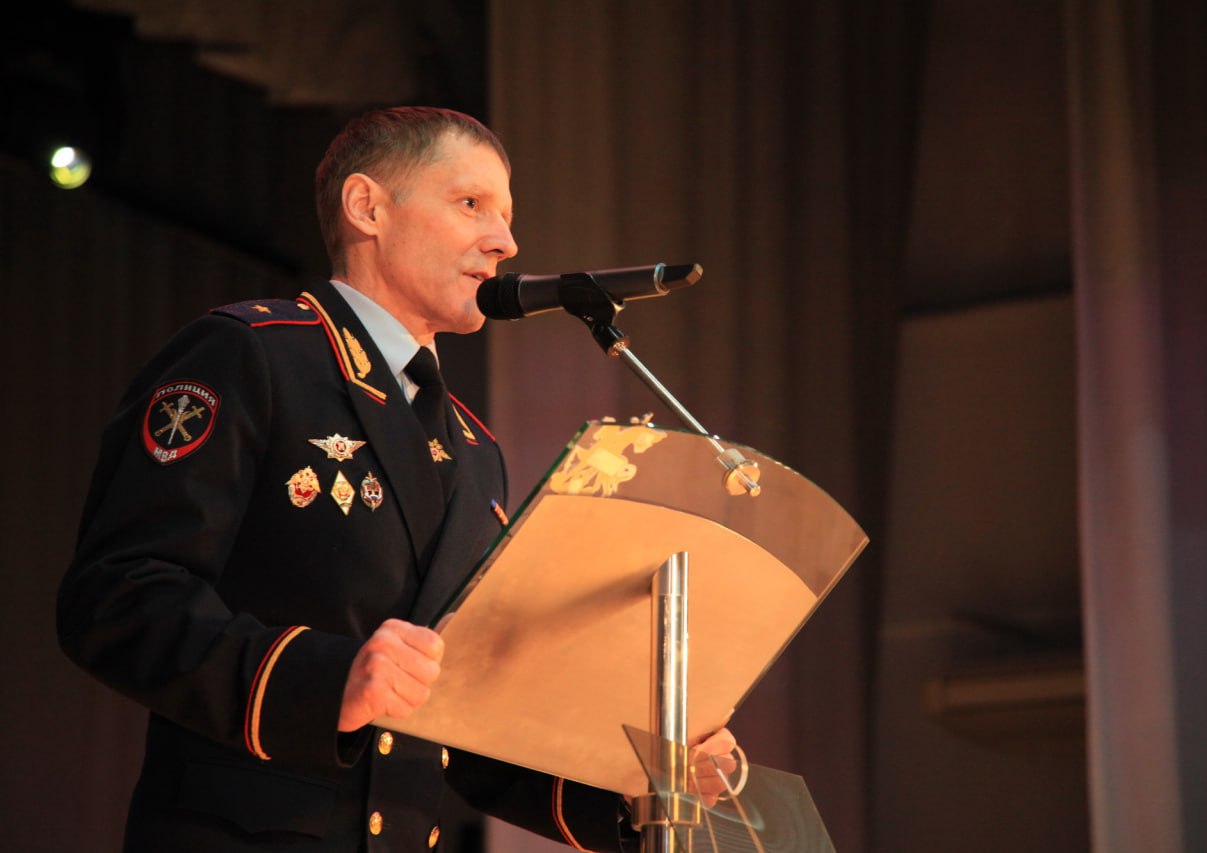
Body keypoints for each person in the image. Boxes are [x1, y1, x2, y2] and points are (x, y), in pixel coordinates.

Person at [56, 106, 735, 852]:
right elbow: (118, 595)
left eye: (507, 217)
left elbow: (467, 713)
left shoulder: (475, 450)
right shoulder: (255, 355)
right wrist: (327, 679)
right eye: (471, 203)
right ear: (367, 207)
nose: (505, 242)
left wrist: (637, 786)